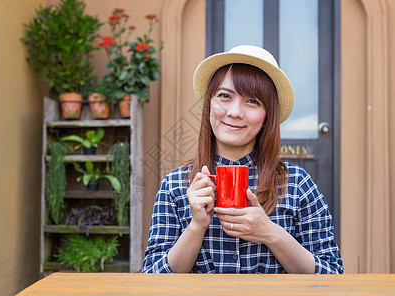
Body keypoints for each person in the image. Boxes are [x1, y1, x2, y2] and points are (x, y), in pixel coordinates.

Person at [142, 45, 344, 274]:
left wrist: (270, 232)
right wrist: (196, 226)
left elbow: (332, 274)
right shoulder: (176, 184)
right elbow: (153, 279)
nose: (235, 112)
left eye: (253, 101)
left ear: (268, 116)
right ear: (209, 103)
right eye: (225, 96)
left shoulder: (296, 183)